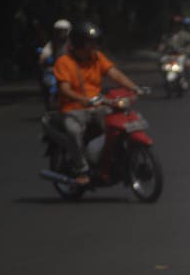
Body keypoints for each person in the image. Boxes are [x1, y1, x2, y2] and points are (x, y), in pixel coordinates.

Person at [54, 21, 144, 186]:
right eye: (91, 42)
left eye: (96, 41)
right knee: (73, 132)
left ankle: (112, 161)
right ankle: (81, 169)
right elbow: (64, 89)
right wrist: (83, 100)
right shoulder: (64, 62)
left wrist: (135, 88)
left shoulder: (97, 57)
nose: (95, 45)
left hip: (99, 105)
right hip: (73, 109)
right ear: (80, 43)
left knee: (119, 124)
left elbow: (114, 74)